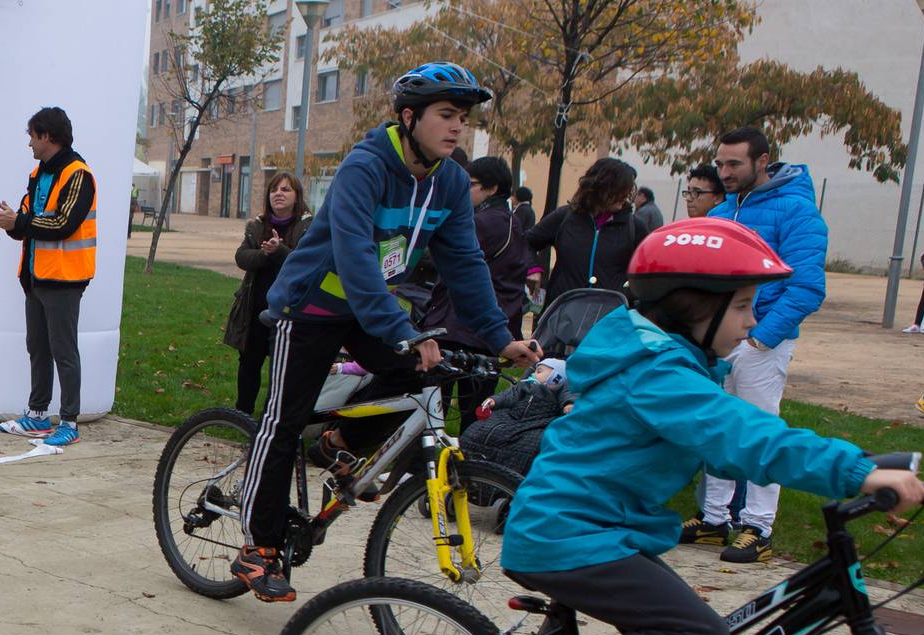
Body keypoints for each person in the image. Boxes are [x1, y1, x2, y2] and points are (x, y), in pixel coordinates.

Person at [489, 216, 921, 635]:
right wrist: (855, 471)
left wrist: (860, 465)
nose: (752, 322)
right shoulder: (658, 373)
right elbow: (744, 435)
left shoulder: (676, 364)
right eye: (743, 307)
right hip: (567, 535)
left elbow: (726, 446)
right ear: (692, 307)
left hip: (602, 531)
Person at [230, 63, 541, 603]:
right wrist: (403, 329)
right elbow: (353, 256)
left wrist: (500, 336)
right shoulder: (366, 166)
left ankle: (342, 442)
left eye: (462, 118)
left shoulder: (446, 181)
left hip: (369, 309)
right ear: (409, 116)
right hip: (311, 307)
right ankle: (258, 547)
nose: (456, 128)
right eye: (446, 115)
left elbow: (465, 264)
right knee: (283, 421)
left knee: (425, 373)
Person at [679, 127, 830, 565]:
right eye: (721, 163)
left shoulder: (798, 212)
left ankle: (758, 527)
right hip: (718, 342)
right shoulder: (726, 210)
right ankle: (714, 519)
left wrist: (761, 337)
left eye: (734, 165)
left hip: (762, 342)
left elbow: (806, 287)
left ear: (763, 161)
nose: (724, 172)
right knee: (718, 428)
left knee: (761, 432)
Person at [0, 107, 102, 449]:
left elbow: (64, 224)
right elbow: (29, 217)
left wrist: (18, 223)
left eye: (32, 136)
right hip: (36, 275)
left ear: (47, 136)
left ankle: (69, 421)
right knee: (37, 346)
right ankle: (37, 415)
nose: (30, 144)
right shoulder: (39, 172)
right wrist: (12, 222)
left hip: (65, 277)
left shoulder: (79, 174)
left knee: (64, 350)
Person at [419, 156, 531, 421]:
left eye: (470, 185)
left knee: (435, 412)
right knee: (476, 413)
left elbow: (447, 258)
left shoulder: (482, 222)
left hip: (460, 327)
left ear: (491, 188)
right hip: (491, 329)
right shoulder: (511, 221)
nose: (463, 191)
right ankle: (468, 459)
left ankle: (428, 460)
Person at [228, 172, 311, 416]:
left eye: (286, 190)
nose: (278, 194)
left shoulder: (308, 227)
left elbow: (304, 264)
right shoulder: (257, 225)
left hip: (289, 311)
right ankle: (241, 415)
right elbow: (242, 258)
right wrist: (265, 254)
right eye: (274, 189)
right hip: (254, 308)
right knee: (248, 364)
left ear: (297, 197)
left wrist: (279, 250)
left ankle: (272, 417)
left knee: (282, 368)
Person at [525, 158, 649, 300]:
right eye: (620, 189)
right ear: (600, 187)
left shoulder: (635, 227)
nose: (625, 195)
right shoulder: (564, 217)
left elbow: (648, 270)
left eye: (628, 189)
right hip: (563, 313)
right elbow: (526, 242)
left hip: (610, 317)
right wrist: (532, 269)